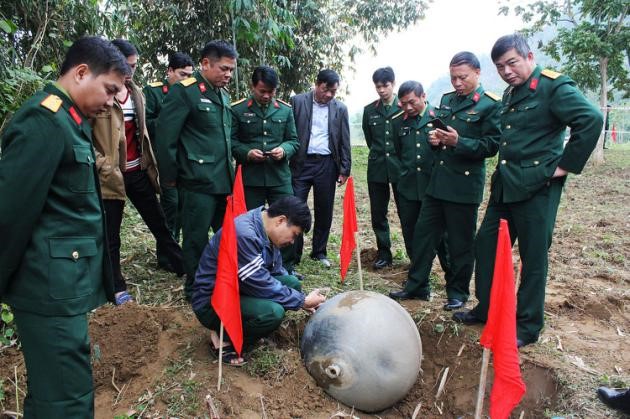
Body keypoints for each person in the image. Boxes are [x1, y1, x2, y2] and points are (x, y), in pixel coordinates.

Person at [0, 36, 127, 417]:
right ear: (81, 72)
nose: (111, 102)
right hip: (47, 287)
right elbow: (11, 211)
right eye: (109, 90)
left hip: (62, 285)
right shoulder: (45, 120)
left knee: (53, 393)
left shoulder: (70, 121)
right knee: (66, 400)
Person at [453, 34, 603, 348]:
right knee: (486, 246)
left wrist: (563, 167)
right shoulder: (509, 94)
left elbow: (590, 119)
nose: (507, 70)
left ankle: (528, 324)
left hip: (538, 186)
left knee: (533, 258)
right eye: (500, 66)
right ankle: (488, 306)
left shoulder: (552, 87)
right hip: (506, 185)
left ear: (529, 57)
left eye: (512, 62)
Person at [390, 52, 501, 308]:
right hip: (437, 183)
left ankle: (458, 292)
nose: (457, 83)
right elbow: (440, 136)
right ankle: (416, 285)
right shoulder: (447, 100)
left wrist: (458, 142)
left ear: (477, 73)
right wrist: (437, 141)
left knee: (460, 243)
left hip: (463, 186)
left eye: (462, 77)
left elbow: (492, 145)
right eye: (453, 78)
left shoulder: (489, 104)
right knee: (423, 236)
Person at [95, 39, 183, 305]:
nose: (132, 71)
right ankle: (116, 287)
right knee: (111, 235)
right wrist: (103, 166)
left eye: (134, 66)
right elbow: (86, 138)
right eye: (128, 65)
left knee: (160, 224)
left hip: (138, 172)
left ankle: (182, 267)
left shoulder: (135, 93)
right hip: (111, 177)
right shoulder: (100, 95)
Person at [191, 196, 326, 365]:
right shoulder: (244, 234)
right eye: (294, 235)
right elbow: (260, 282)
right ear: (281, 221)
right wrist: (301, 301)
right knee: (273, 313)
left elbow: (276, 271)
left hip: (240, 287)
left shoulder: (264, 228)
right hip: (214, 301)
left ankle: (248, 326)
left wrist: (300, 297)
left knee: (292, 283)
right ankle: (224, 336)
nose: (292, 242)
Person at [156, 40, 237, 299]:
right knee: (195, 240)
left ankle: (220, 281)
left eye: (231, 70)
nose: (228, 75)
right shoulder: (185, 92)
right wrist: (169, 179)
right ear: (205, 64)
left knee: (227, 237)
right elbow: (166, 138)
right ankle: (196, 288)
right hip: (196, 181)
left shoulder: (224, 96)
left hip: (223, 180)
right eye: (224, 69)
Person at [386, 81, 451, 299]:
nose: (408, 108)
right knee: (411, 235)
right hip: (407, 188)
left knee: (442, 238)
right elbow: (398, 151)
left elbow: (449, 151)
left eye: (412, 102)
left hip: (433, 188)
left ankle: (453, 284)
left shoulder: (438, 117)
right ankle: (419, 285)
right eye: (403, 104)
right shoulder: (398, 122)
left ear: (423, 96)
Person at [289, 69, 351, 269]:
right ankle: (294, 253)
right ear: (317, 84)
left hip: (326, 164)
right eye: (326, 90)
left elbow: (344, 140)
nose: (329, 95)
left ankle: (319, 251)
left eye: (333, 91)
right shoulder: (297, 102)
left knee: (324, 209)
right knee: (296, 207)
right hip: (301, 162)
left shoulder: (340, 109)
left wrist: (344, 169)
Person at [143, 52, 194, 264]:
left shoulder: (191, 92)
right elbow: (146, 124)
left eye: (190, 75)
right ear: (170, 71)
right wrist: (170, 120)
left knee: (182, 206)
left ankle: (174, 250)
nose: (186, 79)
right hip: (163, 158)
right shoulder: (154, 91)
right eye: (182, 74)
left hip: (185, 158)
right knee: (170, 206)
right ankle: (166, 255)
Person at [231, 66, 299, 209]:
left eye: (271, 91)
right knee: (249, 223)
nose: (267, 96)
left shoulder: (285, 110)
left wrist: (283, 150)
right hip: (250, 179)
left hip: (279, 177)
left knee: (287, 218)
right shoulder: (238, 109)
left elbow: (293, 141)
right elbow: (231, 141)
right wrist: (247, 153)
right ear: (252, 86)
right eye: (262, 91)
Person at [362, 67, 403, 269]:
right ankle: (384, 253)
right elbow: (370, 139)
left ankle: (413, 254)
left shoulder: (404, 107)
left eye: (385, 86)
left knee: (406, 212)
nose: (381, 90)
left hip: (399, 168)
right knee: (378, 214)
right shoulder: (370, 110)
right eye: (378, 87)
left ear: (393, 84)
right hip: (377, 168)